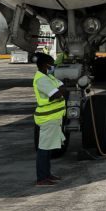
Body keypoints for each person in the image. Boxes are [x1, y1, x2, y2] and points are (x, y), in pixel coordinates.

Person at [32, 53, 67, 186]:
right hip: (47, 117)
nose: (53, 67)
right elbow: (57, 94)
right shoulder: (41, 79)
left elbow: (62, 87)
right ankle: (41, 178)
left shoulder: (48, 77)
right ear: (45, 65)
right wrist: (60, 91)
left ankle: (47, 174)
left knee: (48, 149)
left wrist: (61, 89)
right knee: (44, 149)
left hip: (53, 117)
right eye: (51, 64)